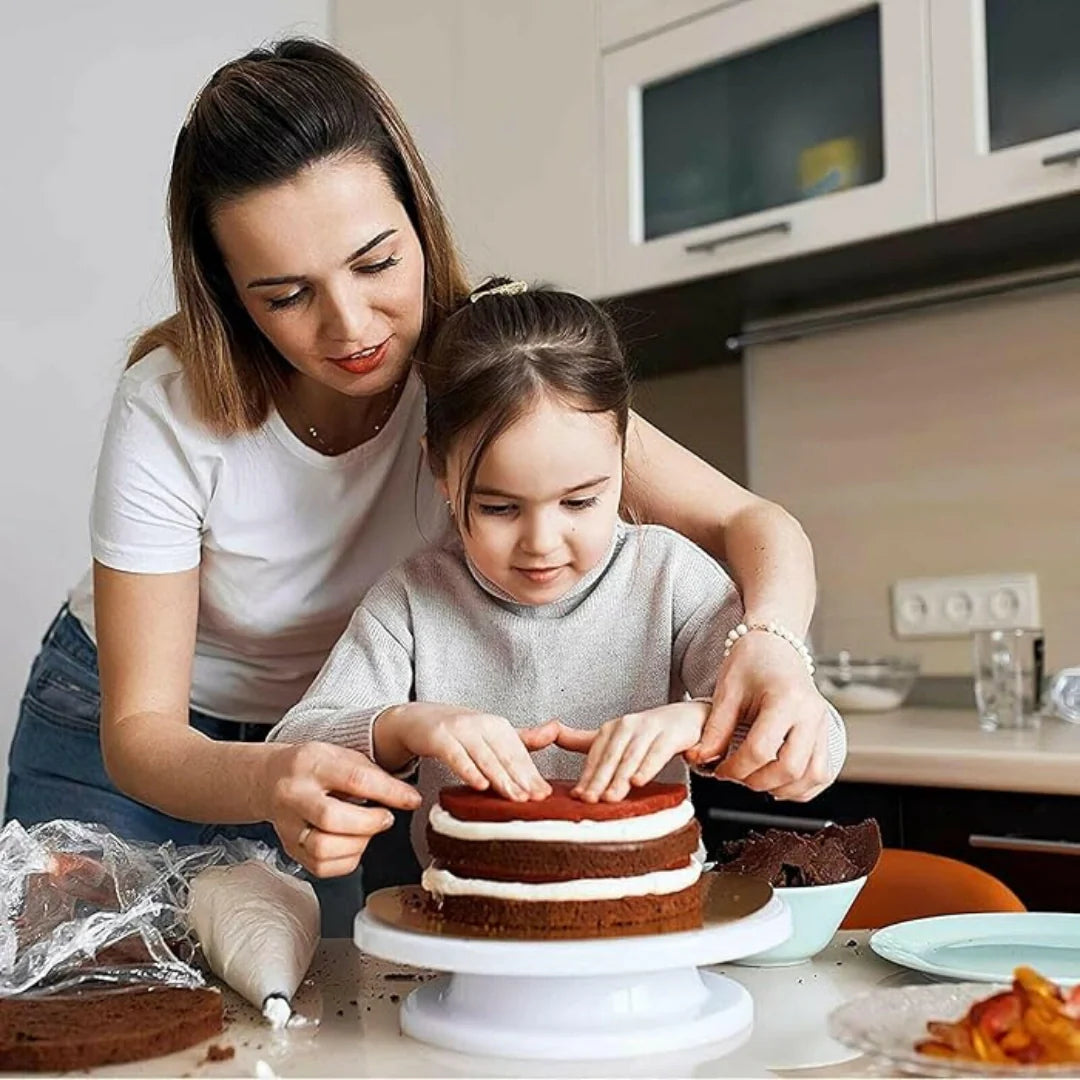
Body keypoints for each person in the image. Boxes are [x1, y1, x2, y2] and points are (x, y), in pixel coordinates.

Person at [4, 40, 831, 930]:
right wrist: (273, 773)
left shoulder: (478, 373)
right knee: (76, 999)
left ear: (418, 217)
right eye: (285, 295)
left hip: (343, 730)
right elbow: (142, 737)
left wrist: (775, 641)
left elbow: (750, 521)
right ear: (226, 293)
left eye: (376, 264)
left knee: (316, 1022)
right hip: (147, 731)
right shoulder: (169, 407)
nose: (351, 326)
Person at [266, 278, 847, 868]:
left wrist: (700, 721)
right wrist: (404, 726)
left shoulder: (668, 577)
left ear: (622, 456)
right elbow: (292, 747)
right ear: (439, 470)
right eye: (499, 507)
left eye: (579, 503)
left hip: (652, 930)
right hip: (469, 933)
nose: (542, 545)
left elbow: (820, 741)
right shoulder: (412, 601)